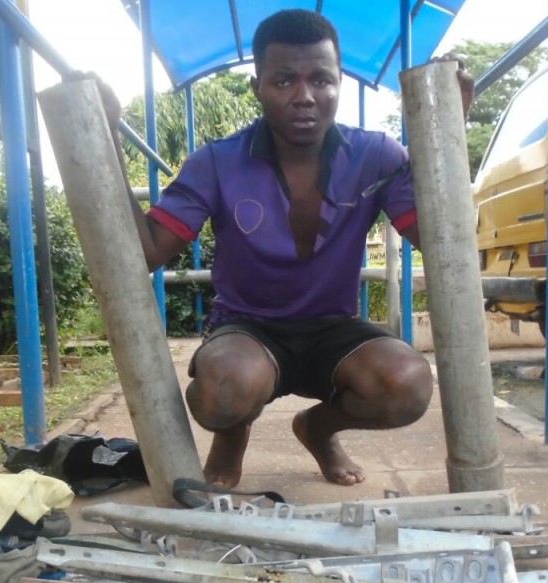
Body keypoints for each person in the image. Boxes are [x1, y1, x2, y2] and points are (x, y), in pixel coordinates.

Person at [100, 9, 473, 489]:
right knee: (222, 392)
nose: (304, 96)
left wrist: (448, 129)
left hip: (333, 329)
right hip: (247, 327)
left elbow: (437, 241)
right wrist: (105, 136)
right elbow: (149, 251)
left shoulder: (376, 155)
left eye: (321, 79)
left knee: (407, 384)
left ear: (338, 82)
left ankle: (318, 428)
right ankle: (232, 434)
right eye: (283, 81)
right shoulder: (217, 162)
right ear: (257, 87)